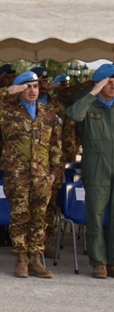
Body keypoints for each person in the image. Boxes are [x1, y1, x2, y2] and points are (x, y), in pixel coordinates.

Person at [0, 71, 63, 279]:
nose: (32, 90)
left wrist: (53, 173)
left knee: (39, 218)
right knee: (20, 216)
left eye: (35, 86)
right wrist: (8, 91)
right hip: (17, 174)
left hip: (42, 175)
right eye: (27, 86)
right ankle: (21, 260)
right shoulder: (5, 110)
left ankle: (35, 260)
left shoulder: (48, 113)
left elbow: (56, 146)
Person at [65, 64, 114, 278]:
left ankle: (112, 260)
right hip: (96, 165)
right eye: (108, 81)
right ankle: (99, 262)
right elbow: (73, 115)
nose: (112, 86)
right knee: (95, 214)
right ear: (98, 83)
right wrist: (92, 93)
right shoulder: (89, 105)